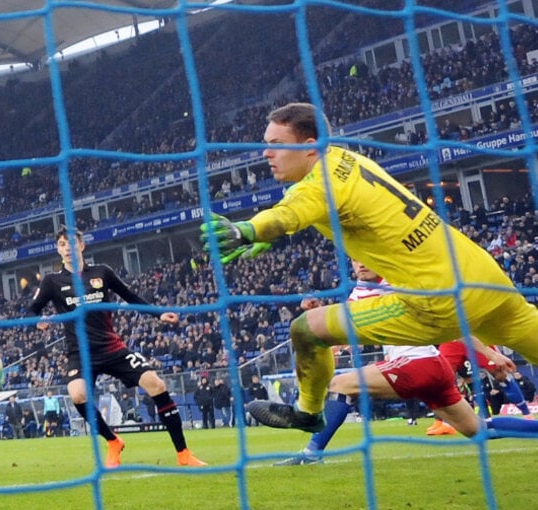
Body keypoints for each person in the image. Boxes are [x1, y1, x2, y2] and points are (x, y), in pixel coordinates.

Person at [201, 102, 538, 431]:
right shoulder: (348, 159)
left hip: (437, 299)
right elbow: (302, 210)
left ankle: (307, 412)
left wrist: (246, 230)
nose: (266, 154)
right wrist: (270, 233)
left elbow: (288, 212)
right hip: (485, 278)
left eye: (276, 145)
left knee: (306, 330)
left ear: (309, 147)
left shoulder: (320, 184)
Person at [272, 261, 538, 465]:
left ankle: (312, 452)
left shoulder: (398, 285)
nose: (361, 264)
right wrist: (318, 317)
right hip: (432, 367)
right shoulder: (360, 293)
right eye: (355, 260)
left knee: (340, 384)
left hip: (415, 363)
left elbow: (450, 326)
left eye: (366, 258)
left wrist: (491, 354)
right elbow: (346, 338)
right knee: (478, 429)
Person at [30, 227, 206, 468]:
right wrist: (38, 321)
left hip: (112, 347)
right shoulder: (51, 281)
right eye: (62, 244)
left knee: (157, 385)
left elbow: (130, 295)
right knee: (78, 394)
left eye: (71, 243)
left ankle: (183, 454)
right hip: (80, 353)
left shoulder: (102, 272)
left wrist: (158, 314)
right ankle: (113, 441)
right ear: (58, 250)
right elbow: (32, 310)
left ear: (81, 246)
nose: (67, 248)